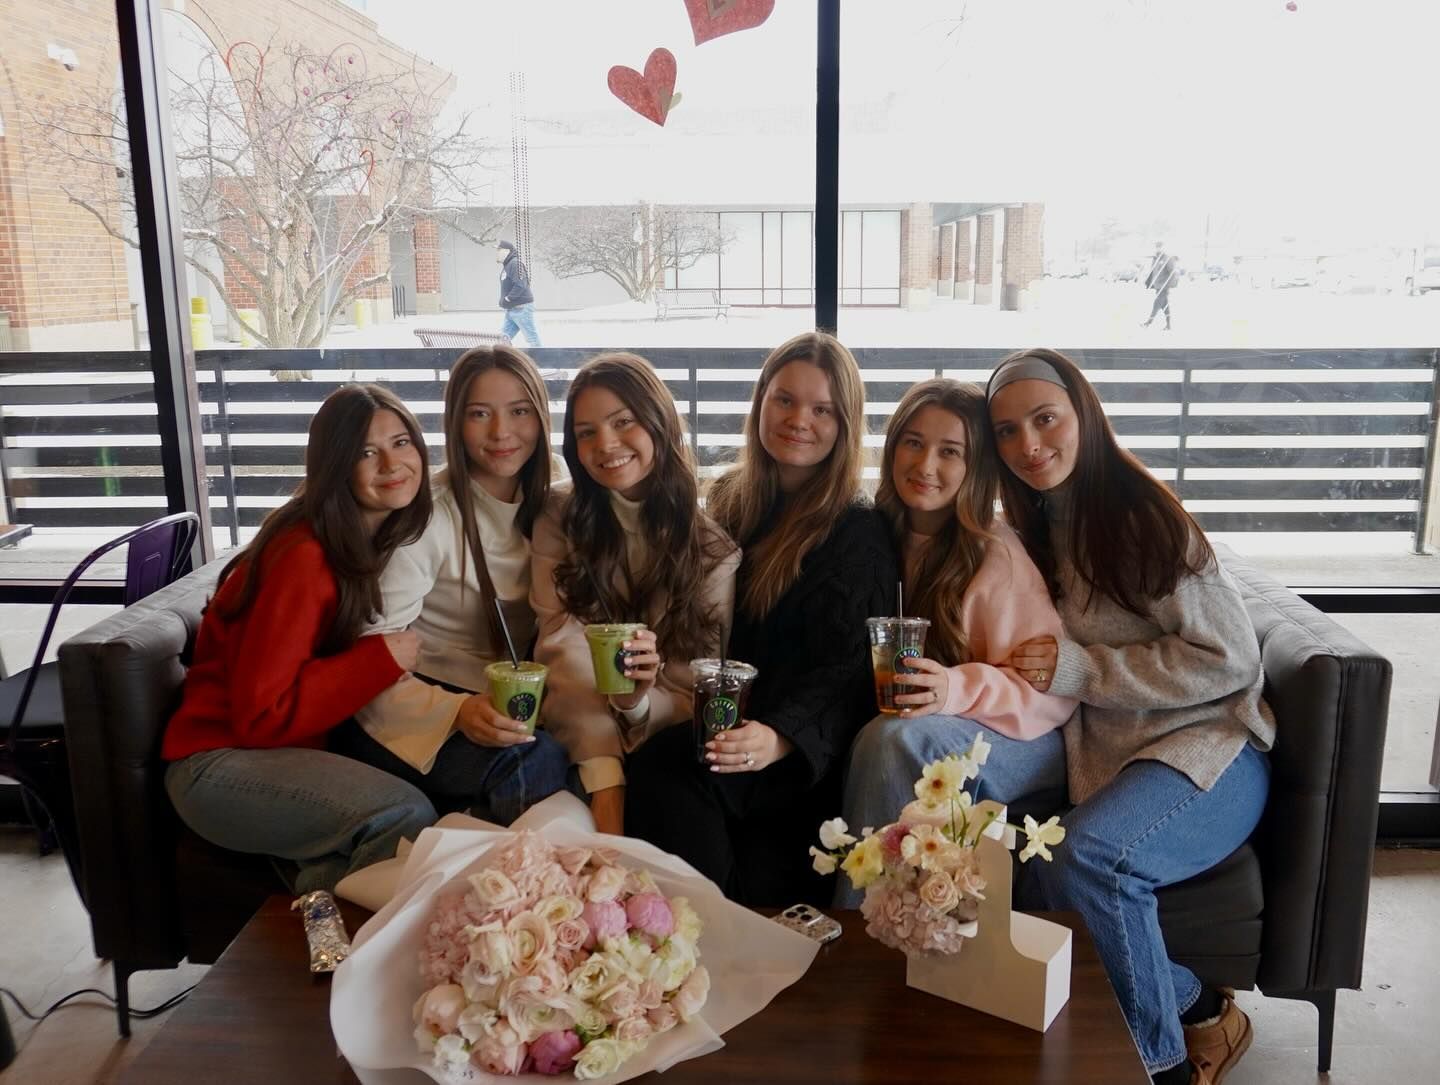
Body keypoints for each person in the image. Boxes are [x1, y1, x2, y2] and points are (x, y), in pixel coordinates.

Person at [987, 348, 1275, 1085]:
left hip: (1212, 751)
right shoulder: (1039, 527)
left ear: (1082, 414)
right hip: (1123, 756)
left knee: (1092, 854)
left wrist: (1086, 670)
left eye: (1044, 419)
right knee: (1029, 863)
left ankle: (1161, 1068)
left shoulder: (1142, 517)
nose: (1028, 444)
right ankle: (1197, 999)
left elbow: (1231, 657)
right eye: (1008, 430)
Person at [625, 331, 898, 906]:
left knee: (668, 768)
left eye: (822, 409)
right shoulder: (727, 500)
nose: (799, 419)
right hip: (723, 726)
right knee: (666, 761)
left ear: (845, 424)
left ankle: (703, 936)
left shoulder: (859, 532)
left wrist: (780, 737)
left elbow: (847, 670)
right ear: (761, 403)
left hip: (796, 760)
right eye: (785, 400)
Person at [162, 384, 438, 893]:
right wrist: (378, 659)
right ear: (336, 466)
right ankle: (355, 961)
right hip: (218, 765)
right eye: (365, 452)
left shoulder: (363, 540)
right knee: (402, 813)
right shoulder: (303, 555)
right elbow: (259, 715)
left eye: (402, 443)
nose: (391, 464)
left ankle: (316, 942)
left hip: (271, 757)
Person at [839, 379, 1077, 896]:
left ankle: (861, 930)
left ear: (976, 469)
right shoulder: (867, 537)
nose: (926, 465)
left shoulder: (995, 553)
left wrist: (955, 688)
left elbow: (1050, 694)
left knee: (894, 739)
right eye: (914, 443)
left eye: (950, 452)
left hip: (1022, 743)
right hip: (933, 732)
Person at [330, 346, 571, 823]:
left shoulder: (558, 487)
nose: (502, 433)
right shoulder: (427, 520)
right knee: (534, 758)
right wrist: (455, 712)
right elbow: (366, 656)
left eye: (519, 411)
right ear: (455, 423)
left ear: (541, 417)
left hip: (517, 694)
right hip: (416, 705)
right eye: (479, 414)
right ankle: (523, 892)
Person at [531, 353, 740, 836]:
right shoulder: (559, 516)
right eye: (586, 432)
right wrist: (607, 781)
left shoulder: (713, 551)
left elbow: (693, 686)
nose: (605, 445)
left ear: (660, 424)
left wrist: (635, 704)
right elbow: (560, 646)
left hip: (658, 734)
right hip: (572, 723)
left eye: (623, 421)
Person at [497, 240, 541, 347]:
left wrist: (508, 299)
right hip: (512, 309)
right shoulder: (508, 265)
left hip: (521, 308)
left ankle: (541, 362)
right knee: (502, 340)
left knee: (533, 340)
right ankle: (506, 362)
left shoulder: (515, 264)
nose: (497, 252)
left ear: (507, 251)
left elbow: (520, 284)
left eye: (499, 250)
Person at [1144, 241, 1179, 330]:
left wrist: (1170, 285)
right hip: (1157, 285)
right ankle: (1168, 325)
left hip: (1164, 286)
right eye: (1156, 247)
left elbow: (1172, 273)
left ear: (1163, 247)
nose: (1158, 248)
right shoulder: (1155, 258)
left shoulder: (1167, 258)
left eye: (1160, 247)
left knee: (1156, 303)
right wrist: (1149, 283)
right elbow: (1153, 272)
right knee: (1164, 306)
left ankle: (1149, 322)